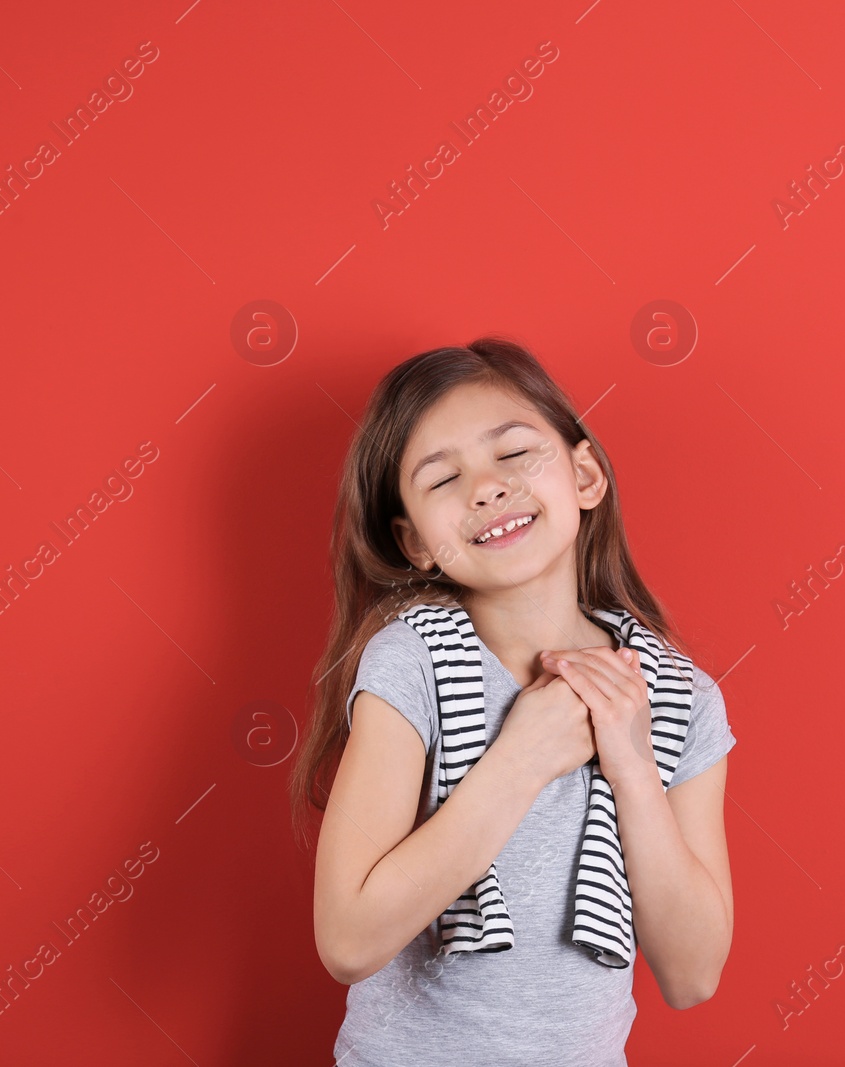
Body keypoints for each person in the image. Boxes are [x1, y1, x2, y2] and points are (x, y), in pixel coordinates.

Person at [289, 336, 737, 1066]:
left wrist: (630, 761)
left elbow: (691, 974)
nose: (487, 488)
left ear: (585, 472)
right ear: (416, 542)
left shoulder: (681, 697)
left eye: (514, 452)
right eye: (442, 479)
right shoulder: (412, 664)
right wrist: (519, 760)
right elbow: (348, 941)